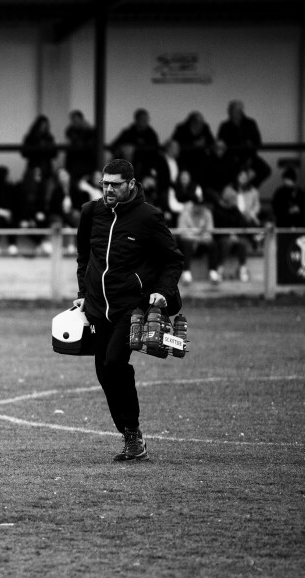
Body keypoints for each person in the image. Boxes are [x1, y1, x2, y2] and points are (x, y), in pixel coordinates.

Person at [74, 158, 184, 462]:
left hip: (131, 306)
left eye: (115, 184)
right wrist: (83, 293)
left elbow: (173, 259)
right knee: (103, 372)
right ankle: (129, 436)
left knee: (113, 362)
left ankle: (133, 434)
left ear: (131, 184)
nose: (108, 189)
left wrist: (162, 291)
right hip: (98, 307)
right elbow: (84, 256)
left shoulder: (149, 217)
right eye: (104, 183)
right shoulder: (90, 212)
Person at [217, 100, 271, 188]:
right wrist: (233, 157)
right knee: (224, 171)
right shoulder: (225, 126)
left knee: (265, 170)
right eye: (233, 111)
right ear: (229, 111)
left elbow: (257, 142)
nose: (235, 113)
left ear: (241, 111)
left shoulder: (250, 123)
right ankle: (234, 191)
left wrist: (250, 157)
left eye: (238, 111)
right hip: (231, 158)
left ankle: (250, 189)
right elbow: (220, 145)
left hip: (250, 156)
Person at [176, 200, 220, 285]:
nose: (200, 208)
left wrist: (198, 238)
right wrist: (197, 236)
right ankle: (186, 273)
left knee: (213, 244)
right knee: (187, 243)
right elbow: (182, 232)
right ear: (193, 205)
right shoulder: (185, 213)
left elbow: (210, 232)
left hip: (202, 242)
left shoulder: (207, 213)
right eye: (198, 205)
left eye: (202, 206)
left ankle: (213, 272)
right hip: (187, 242)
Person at [110, 108, 161, 181]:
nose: (144, 121)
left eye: (146, 119)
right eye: (142, 119)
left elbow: (155, 149)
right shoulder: (128, 132)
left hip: (144, 163)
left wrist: (135, 149)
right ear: (136, 119)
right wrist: (123, 148)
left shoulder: (151, 134)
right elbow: (115, 145)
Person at [170, 111, 214, 182]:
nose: (199, 125)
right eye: (197, 122)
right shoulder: (181, 129)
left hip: (201, 158)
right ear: (191, 122)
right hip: (185, 158)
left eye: (201, 122)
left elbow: (211, 142)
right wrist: (193, 144)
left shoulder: (205, 128)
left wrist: (204, 144)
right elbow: (176, 144)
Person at [20, 115, 58, 182]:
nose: (44, 127)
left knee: (43, 185)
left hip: (44, 167)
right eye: (42, 125)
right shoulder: (31, 138)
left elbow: (54, 153)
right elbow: (24, 153)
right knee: (37, 185)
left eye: (45, 125)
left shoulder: (48, 138)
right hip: (38, 166)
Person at [64, 110, 98, 185]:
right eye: (73, 120)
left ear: (81, 119)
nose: (75, 122)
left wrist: (87, 130)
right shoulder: (71, 132)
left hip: (86, 163)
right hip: (74, 164)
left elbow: (93, 142)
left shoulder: (89, 131)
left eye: (77, 120)